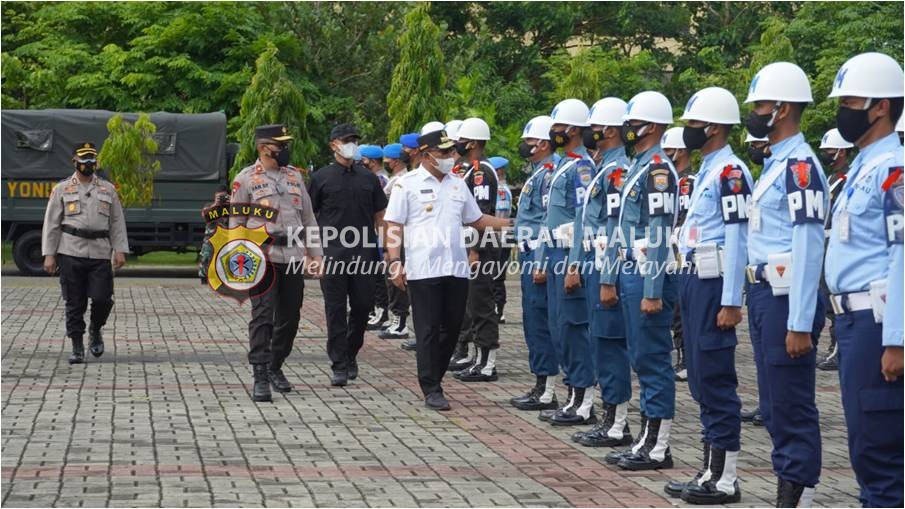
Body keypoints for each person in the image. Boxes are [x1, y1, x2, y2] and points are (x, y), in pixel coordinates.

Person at [743, 62, 827, 507]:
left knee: (791, 403)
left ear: (783, 107)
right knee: (774, 403)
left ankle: (801, 496)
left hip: (785, 297)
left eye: (760, 104)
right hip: (763, 293)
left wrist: (798, 320)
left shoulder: (801, 167)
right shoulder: (777, 163)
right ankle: (787, 489)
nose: (754, 113)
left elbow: (809, 243)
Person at [663, 87, 752, 504]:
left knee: (715, 378)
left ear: (713, 127)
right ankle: (709, 469)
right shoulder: (708, 171)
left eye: (693, 125)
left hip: (715, 284)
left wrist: (732, 299)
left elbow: (738, 238)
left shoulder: (732, 172)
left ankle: (726, 477)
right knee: (699, 377)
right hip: (694, 278)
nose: (687, 132)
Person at [824, 52, 903, 508]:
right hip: (855, 323)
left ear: (880, 106)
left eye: (851, 100)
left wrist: (896, 339)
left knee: (879, 449)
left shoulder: (894, 168)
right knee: (865, 445)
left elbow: (902, 255)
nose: (843, 109)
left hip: (876, 324)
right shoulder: (863, 167)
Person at [383, 129, 511, 410]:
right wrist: (394, 262)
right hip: (422, 269)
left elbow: (476, 219)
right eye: (443, 153)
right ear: (426, 155)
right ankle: (431, 387)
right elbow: (393, 225)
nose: (450, 157)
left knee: (452, 328)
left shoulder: (457, 184)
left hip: (456, 268)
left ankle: (435, 376)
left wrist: (509, 224)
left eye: (451, 152)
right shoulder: (408, 184)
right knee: (427, 330)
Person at [601, 91, 679, 471]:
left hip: (649, 276)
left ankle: (659, 445)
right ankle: (647, 439)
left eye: (633, 125)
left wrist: (652, 290)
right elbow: (622, 228)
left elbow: (660, 232)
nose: (628, 131)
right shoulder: (638, 168)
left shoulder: (659, 172)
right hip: (631, 271)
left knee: (652, 360)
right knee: (640, 358)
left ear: (654, 126)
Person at [229, 124, 323, 402]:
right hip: (261, 257)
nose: (283, 150)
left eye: (284, 145)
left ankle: (275, 365)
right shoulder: (245, 179)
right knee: (262, 316)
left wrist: (315, 254)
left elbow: (308, 219)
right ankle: (259, 374)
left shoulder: (294, 176)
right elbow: (237, 223)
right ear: (263, 147)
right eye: (279, 145)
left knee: (290, 317)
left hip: (293, 256)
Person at [569, 97, 634, 447]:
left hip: (606, 265)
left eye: (594, 129)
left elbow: (614, 228)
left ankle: (618, 423)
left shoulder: (617, 171)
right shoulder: (603, 168)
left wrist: (608, 276)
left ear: (609, 130)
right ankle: (611, 418)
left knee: (610, 344)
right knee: (599, 341)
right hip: (595, 264)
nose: (589, 134)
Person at [308, 123, 388, 387]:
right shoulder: (321, 178)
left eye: (354, 140)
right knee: (335, 310)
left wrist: (388, 249)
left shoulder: (368, 178)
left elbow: (380, 216)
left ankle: (351, 351)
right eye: (346, 140)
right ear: (333, 144)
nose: (351, 144)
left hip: (365, 256)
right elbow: (310, 218)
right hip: (332, 255)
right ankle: (339, 364)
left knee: (363, 307)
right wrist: (312, 255)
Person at [42, 142, 129, 364]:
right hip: (70, 250)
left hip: (100, 252)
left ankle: (96, 329)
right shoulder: (61, 189)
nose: (88, 163)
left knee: (102, 299)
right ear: (75, 162)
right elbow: (51, 223)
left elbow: (117, 222)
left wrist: (119, 249)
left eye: (91, 159)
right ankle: (77, 346)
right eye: (84, 159)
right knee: (75, 302)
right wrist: (49, 254)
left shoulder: (108, 189)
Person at [540, 98, 598, 425]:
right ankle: (573, 393)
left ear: (573, 129)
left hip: (568, 253)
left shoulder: (582, 167)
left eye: (558, 128)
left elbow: (581, 217)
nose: (554, 133)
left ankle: (585, 399)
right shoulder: (564, 163)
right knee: (559, 325)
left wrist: (574, 264)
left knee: (575, 326)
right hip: (553, 252)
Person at [510, 115, 561, 411]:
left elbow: (546, 222)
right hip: (529, 254)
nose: (525, 146)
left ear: (542, 144)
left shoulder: (548, 175)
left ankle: (547, 388)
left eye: (529, 141)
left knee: (541, 321)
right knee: (532, 320)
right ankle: (541, 382)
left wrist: (541, 261)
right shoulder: (537, 172)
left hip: (538, 255)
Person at [452, 117, 503, 383]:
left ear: (472, 142)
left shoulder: (482, 170)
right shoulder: (467, 169)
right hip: (468, 245)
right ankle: (476, 357)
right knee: (471, 304)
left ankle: (487, 364)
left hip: (481, 247)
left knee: (482, 304)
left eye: (461, 140)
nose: (457, 144)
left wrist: (474, 251)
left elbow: (482, 214)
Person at [815, 128, 853, 372]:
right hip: (824, 241)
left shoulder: (848, 178)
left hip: (837, 241)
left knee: (835, 298)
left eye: (830, 151)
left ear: (842, 152)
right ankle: (834, 347)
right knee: (825, 297)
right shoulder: (830, 179)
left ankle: (839, 349)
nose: (827, 155)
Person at [740, 130, 769, 429]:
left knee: (774, 357)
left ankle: (772, 405)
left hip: (779, 281)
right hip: (757, 278)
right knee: (761, 354)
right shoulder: (764, 176)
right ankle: (766, 403)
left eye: (758, 143)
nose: (755, 148)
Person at [661, 126, 692, 383]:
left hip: (682, 248)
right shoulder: (671, 178)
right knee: (672, 306)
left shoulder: (688, 180)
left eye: (669, 150)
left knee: (681, 307)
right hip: (668, 247)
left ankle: (686, 358)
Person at [377, 143, 411, 340]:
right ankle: (397, 320)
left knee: (396, 281)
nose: (386, 162)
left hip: (399, 237)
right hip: (395, 236)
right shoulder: (396, 180)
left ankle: (400, 323)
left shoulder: (400, 181)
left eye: (388, 159)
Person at [490, 156, 513, 324]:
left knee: (497, 276)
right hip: (496, 237)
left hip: (500, 237)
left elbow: (501, 214)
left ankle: (499, 309)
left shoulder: (501, 191)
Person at [199, 184, 230, 283]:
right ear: (215, 195)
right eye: (219, 197)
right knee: (206, 257)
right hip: (210, 237)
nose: (221, 199)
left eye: (223, 197)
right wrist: (215, 204)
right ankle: (204, 278)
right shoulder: (209, 206)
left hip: (225, 238)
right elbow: (204, 215)